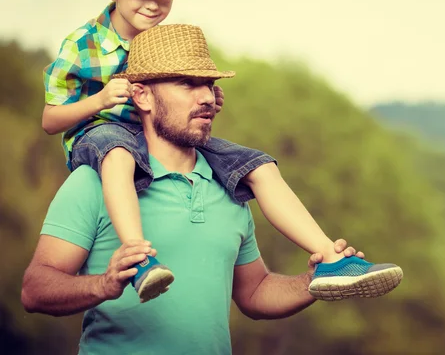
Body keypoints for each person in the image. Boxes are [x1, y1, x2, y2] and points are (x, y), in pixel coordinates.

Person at [42, 0, 402, 303]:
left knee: (258, 165)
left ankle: (330, 259)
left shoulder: (160, 40)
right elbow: (49, 119)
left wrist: (204, 99)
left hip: (152, 134)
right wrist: (100, 100)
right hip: (98, 133)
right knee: (118, 154)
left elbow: (169, 106)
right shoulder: (82, 44)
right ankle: (139, 258)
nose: (153, 5)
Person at [21, 24, 400, 354]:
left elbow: (254, 294)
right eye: (187, 83)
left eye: (209, 83)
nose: (206, 97)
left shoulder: (233, 186)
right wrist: (105, 284)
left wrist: (313, 281)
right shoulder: (95, 181)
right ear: (142, 97)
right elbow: (35, 291)